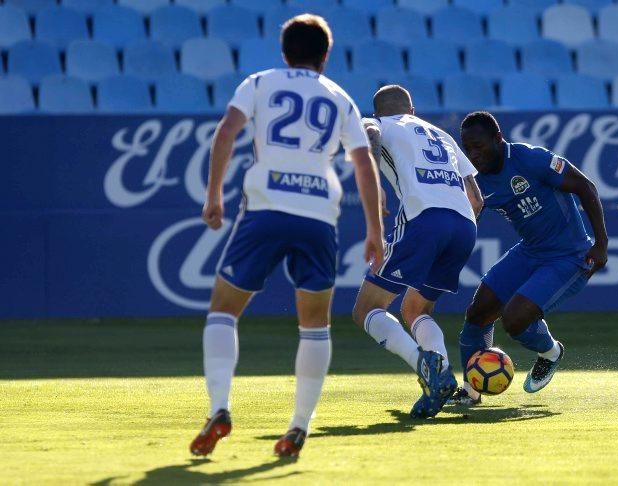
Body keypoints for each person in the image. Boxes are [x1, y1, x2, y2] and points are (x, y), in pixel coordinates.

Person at [189, 14, 384, 458]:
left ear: (284, 51)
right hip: (318, 215)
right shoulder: (340, 98)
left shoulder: (259, 82)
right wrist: (374, 229)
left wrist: (214, 194)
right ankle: (298, 427)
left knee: (223, 310)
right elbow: (363, 163)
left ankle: (219, 408)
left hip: (265, 209)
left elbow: (227, 132)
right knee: (315, 324)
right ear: (326, 55)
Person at [451, 111, 608, 406]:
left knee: (514, 319)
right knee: (478, 312)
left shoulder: (531, 159)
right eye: (467, 148)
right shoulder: (476, 181)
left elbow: (585, 187)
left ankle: (550, 352)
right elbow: (466, 217)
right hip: (531, 250)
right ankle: (470, 392)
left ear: (498, 138)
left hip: (569, 256)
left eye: (479, 147)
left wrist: (601, 243)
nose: (473, 155)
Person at [351, 85, 483, 418]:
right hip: (466, 227)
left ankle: (425, 368)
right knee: (416, 309)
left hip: (424, 219)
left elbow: (367, 131)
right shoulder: (442, 134)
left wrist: (375, 182)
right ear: (412, 110)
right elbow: (477, 199)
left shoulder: (380, 124)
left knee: (367, 308)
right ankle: (439, 373)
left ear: (379, 111)